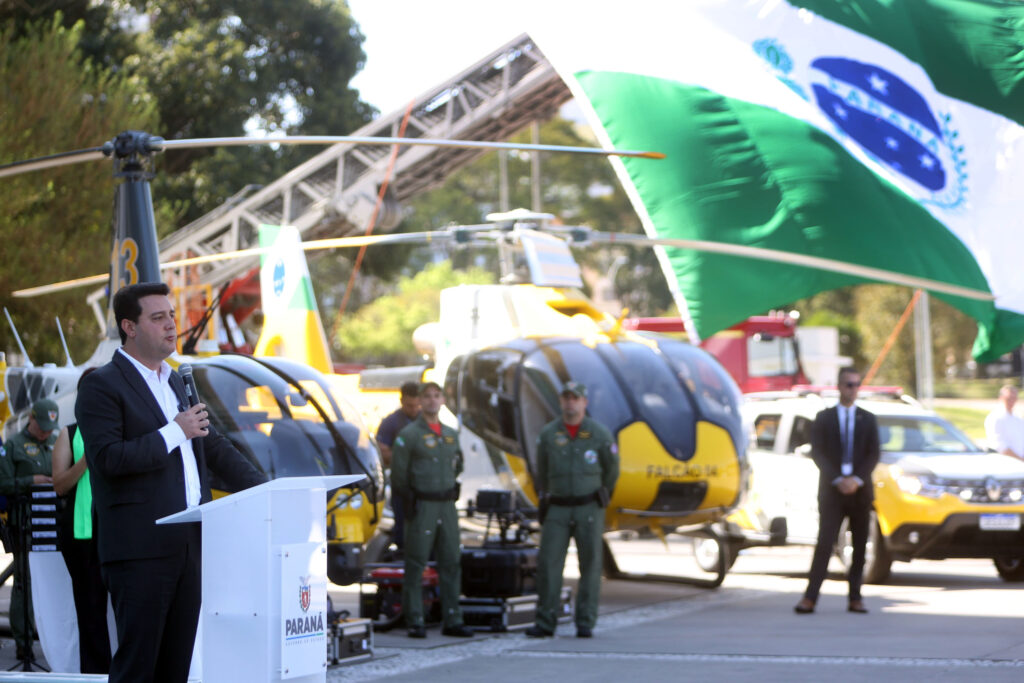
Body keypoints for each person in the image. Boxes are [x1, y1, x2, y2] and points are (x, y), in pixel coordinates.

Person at [75, 282, 267, 683]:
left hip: (189, 546)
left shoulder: (177, 381)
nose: (171, 325)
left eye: (172, 316)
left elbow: (210, 443)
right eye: (158, 317)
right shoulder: (102, 385)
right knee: (137, 667)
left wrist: (266, 488)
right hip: (139, 550)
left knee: (174, 668)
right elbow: (108, 460)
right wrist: (174, 431)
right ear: (129, 326)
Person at [526, 381, 618, 639]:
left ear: (584, 402)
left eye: (575, 398)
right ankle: (545, 621)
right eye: (566, 398)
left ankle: (585, 621)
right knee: (548, 564)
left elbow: (612, 469)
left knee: (590, 565)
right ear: (561, 401)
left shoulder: (598, 433)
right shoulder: (549, 434)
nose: (570, 403)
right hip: (558, 507)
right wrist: (544, 496)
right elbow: (540, 471)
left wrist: (603, 493)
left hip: (588, 506)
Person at [390, 381, 473, 639]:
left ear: (443, 401)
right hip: (423, 503)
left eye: (437, 396)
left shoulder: (450, 434)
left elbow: (457, 465)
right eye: (427, 396)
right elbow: (399, 476)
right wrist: (410, 499)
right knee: (416, 561)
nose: (432, 401)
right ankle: (415, 619)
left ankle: (453, 618)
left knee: (451, 560)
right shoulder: (409, 435)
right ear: (420, 401)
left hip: (446, 504)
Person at [794, 367, 880, 615]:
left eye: (856, 384)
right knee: (825, 543)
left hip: (860, 491)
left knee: (860, 545)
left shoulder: (868, 418)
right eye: (847, 384)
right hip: (832, 491)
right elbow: (818, 452)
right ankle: (810, 598)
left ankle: (856, 597)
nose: (852, 389)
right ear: (839, 386)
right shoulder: (824, 418)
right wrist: (837, 479)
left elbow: (873, 453)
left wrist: (856, 479)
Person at [52, 368, 111, 674]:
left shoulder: (119, 428)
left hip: (118, 530)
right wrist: (87, 459)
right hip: (82, 534)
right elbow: (59, 484)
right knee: (90, 610)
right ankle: (95, 674)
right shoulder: (70, 433)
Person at [0, 399, 58, 661]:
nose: (46, 432)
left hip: (54, 525)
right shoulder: (14, 445)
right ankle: (24, 643)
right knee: (24, 582)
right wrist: (30, 481)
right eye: (42, 426)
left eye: (50, 427)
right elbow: (3, 484)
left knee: (50, 582)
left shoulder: (55, 442)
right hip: (25, 524)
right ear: (32, 419)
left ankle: (51, 639)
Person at [376, 381, 421, 552]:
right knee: (402, 525)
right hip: (402, 485)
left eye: (417, 405)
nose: (414, 409)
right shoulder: (391, 422)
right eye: (410, 406)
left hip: (424, 486)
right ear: (402, 401)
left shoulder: (427, 420)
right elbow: (383, 453)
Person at [984, 385, 1024, 460]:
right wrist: (1020, 459)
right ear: (1001, 398)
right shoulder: (995, 417)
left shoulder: (1018, 418)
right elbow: (999, 445)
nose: (1011, 401)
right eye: (1008, 398)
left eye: (1014, 398)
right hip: (1003, 462)